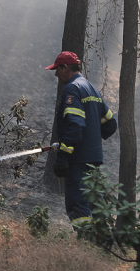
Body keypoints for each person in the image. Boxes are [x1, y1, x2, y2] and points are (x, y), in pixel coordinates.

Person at [46, 51, 117, 228]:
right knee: (94, 202)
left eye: (57, 69)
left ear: (65, 68)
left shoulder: (72, 89)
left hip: (78, 159)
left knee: (77, 204)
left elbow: (75, 126)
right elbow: (110, 125)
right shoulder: (91, 88)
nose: (56, 74)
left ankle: (87, 241)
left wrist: (63, 156)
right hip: (93, 159)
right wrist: (91, 136)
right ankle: (104, 244)